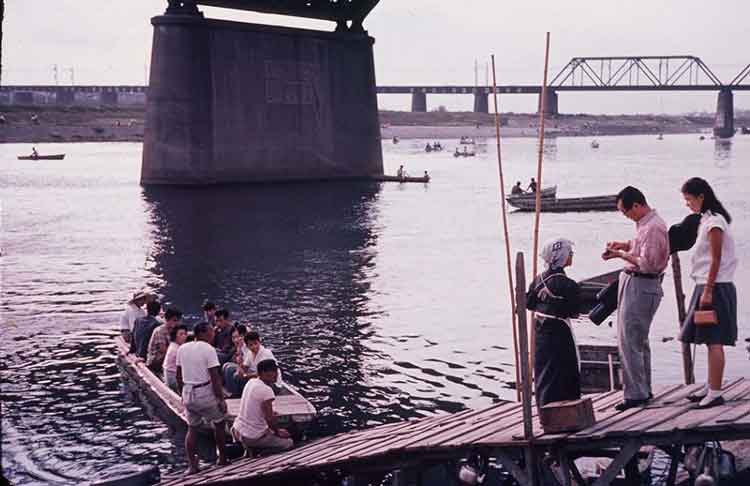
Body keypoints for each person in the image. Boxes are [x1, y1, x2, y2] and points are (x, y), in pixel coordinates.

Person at [603, 186, 669, 411]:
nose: (625, 216)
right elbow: (643, 249)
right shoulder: (645, 225)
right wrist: (625, 245)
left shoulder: (653, 227)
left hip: (642, 283)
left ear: (637, 206)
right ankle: (642, 390)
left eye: (625, 211)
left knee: (629, 340)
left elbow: (649, 263)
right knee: (637, 339)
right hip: (637, 283)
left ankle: (636, 395)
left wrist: (620, 255)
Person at [679, 178, 737, 409]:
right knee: (705, 339)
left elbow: (716, 259)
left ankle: (715, 392)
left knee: (714, 340)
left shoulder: (715, 222)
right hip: (706, 284)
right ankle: (711, 385)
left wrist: (709, 291)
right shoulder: (706, 220)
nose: (687, 204)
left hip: (716, 285)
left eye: (689, 199)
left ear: (701, 197)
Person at [526, 238, 581, 407]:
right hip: (559, 333)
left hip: (540, 332)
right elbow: (573, 312)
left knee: (545, 372)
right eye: (570, 253)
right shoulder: (568, 285)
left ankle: (544, 407)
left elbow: (528, 304)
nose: (572, 256)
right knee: (564, 371)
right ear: (562, 257)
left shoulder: (538, 279)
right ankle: (566, 409)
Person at [176, 322, 229, 473]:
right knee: (219, 422)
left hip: (188, 392)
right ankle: (222, 458)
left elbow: (179, 375)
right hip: (203, 392)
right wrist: (220, 399)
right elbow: (215, 376)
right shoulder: (209, 349)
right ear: (204, 334)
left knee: (192, 429)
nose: (214, 334)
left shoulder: (182, 348)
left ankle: (192, 466)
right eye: (212, 332)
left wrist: (182, 394)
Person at [231, 359, 293, 456]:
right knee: (288, 443)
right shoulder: (266, 390)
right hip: (251, 436)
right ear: (263, 373)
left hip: (237, 429)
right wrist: (277, 432)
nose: (276, 375)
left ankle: (250, 448)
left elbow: (259, 407)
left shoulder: (251, 382)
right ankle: (260, 452)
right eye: (273, 372)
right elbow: (269, 419)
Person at [147, 307, 183, 373]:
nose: (177, 323)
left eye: (178, 320)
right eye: (174, 320)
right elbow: (164, 350)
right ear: (167, 319)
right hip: (156, 361)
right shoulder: (160, 331)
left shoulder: (174, 329)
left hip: (168, 358)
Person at [222, 326, 250, 396]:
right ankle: (231, 391)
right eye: (233, 338)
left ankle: (235, 393)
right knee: (226, 365)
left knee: (230, 369)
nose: (235, 340)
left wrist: (239, 351)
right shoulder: (241, 347)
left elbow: (245, 367)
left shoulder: (248, 346)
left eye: (238, 337)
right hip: (246, 372)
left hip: (252, 373)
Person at [164, 324, 188, 391]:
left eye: (185, 334)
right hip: (173, 378)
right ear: (175, 336)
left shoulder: (174, 345)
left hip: (171, 376)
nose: (184, 336)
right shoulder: (176, 349)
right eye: (181, 334)